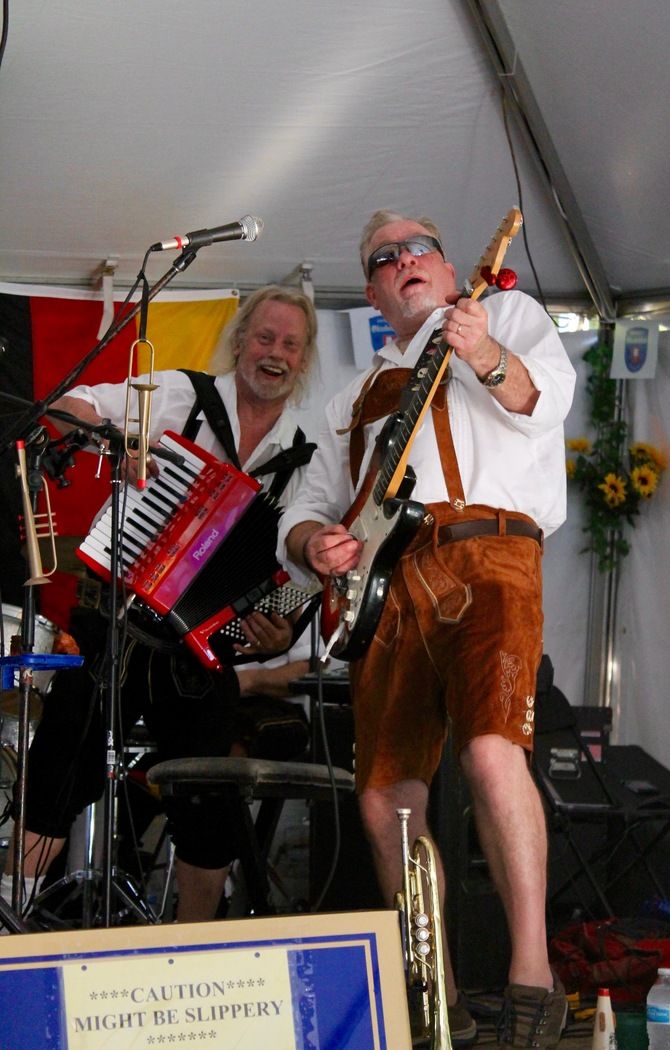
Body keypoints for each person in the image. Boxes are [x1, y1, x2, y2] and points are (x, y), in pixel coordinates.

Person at [280, 210, 576, 1048]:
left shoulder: (505, 315)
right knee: (385, 795)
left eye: (419, 249)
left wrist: (483, 351)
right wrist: (314, 542)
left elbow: (545, 400)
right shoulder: (348, 396)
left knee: (491, 751)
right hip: (387, 584)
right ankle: (432, 994)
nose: (404, 260)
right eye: (385, 257)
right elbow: (303, 506)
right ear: (372, 291)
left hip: (492, 556)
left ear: (448, 268)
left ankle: (532, 975)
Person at [2, 284, 319, 925]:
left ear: (304, 358)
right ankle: (12, 930)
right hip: (115, 619)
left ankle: (194, 942)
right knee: (57, 769)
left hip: (197, 651)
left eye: (291, 344)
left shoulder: (302, 461)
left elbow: (294, 576)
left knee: (209, 800)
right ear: (240, 342)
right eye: (265, 337)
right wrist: (118, 446)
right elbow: (69, 407)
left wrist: (281, 631)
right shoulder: (179, 395)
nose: (276, 353)